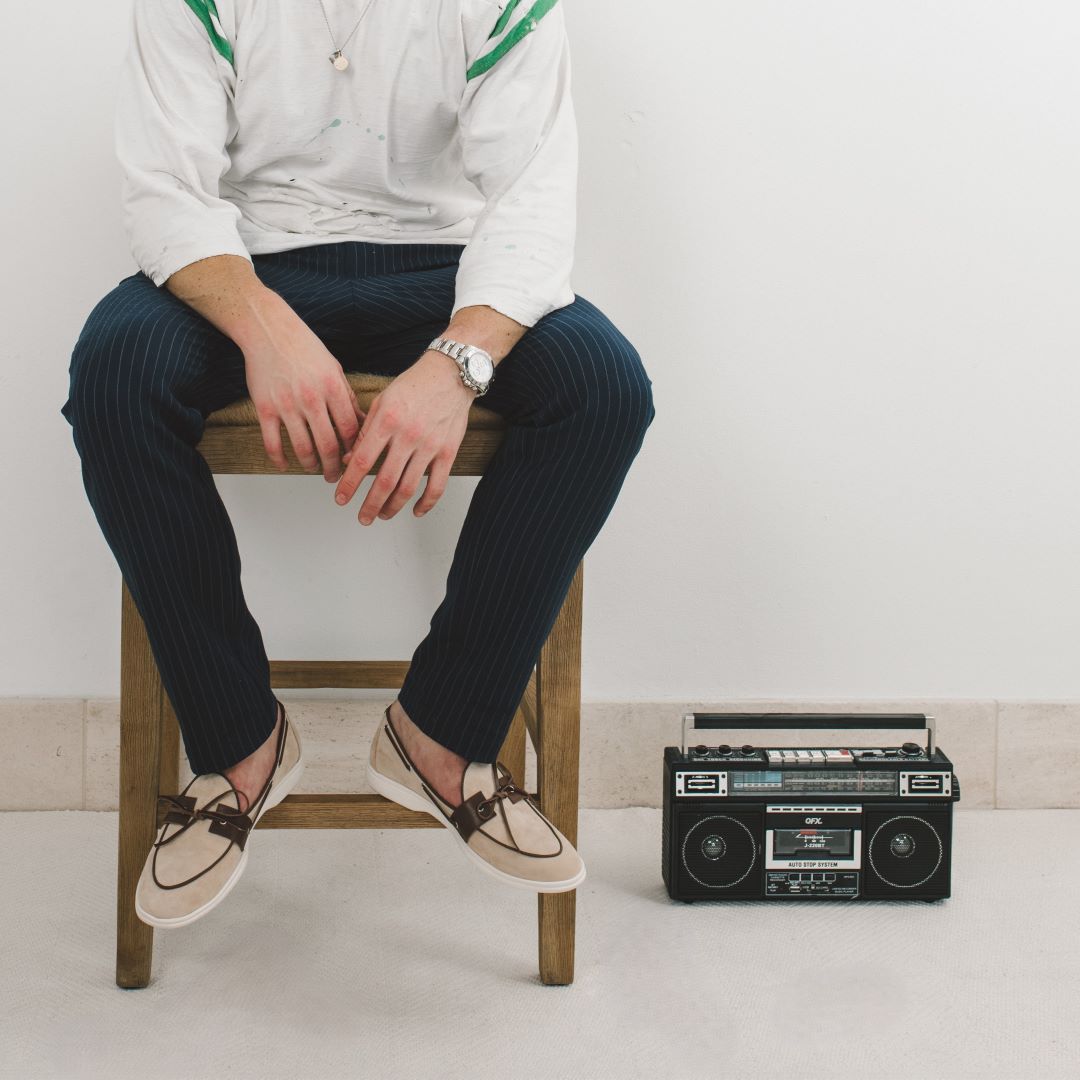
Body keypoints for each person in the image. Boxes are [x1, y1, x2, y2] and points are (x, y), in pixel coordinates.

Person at [61, 0, 656, 929]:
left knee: (603, 387)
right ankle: (240, 744)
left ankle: (439, 735)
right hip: (249, 264)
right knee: (116, 373)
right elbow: (165, 189)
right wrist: (265, 330)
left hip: (448, 270)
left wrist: (456, 364)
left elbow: (532, 199)